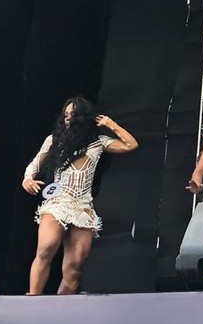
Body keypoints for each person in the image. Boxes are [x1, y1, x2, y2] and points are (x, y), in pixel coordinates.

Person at [22, 97, 138, 295]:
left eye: (73, 115)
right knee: (46, 248)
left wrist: (111, 124)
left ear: (82, 118)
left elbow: (131, 144)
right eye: (65, 115)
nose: (68, 119)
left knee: (75, 266)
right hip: (58, 202)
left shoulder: (98, 143)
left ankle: (63, 308)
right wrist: (27, 179)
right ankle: (33, 299)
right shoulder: (54, 140)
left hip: (82, 206)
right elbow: (34, 165)